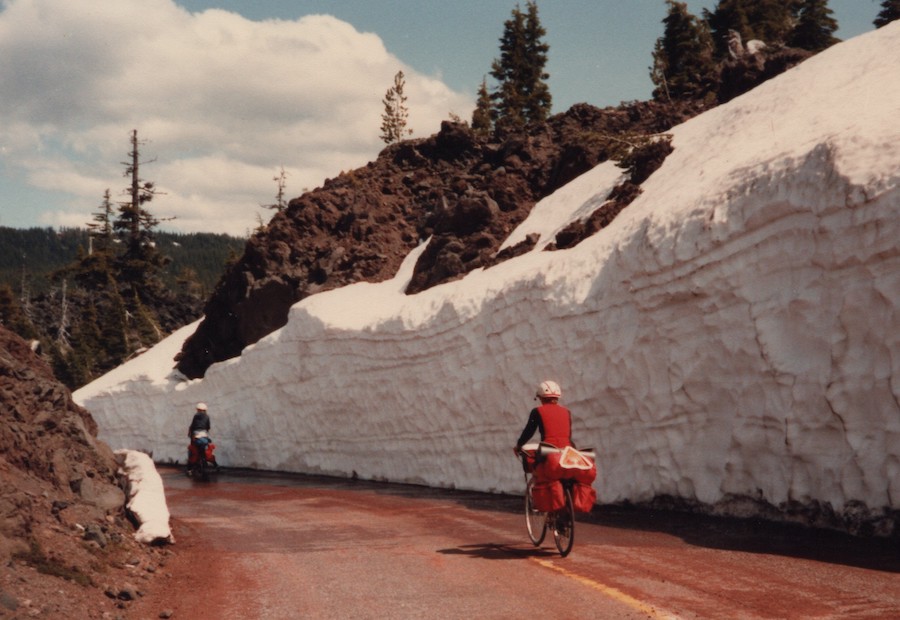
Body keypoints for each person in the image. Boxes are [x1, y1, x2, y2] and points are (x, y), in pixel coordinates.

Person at [515, 380, 574, 450]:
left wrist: (519, 445)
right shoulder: (567, 412)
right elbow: (568, 436)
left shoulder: (537, 411)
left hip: (548, 450)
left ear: (541, 397)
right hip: (567, 449)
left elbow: (529, 432)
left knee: (529, 459)